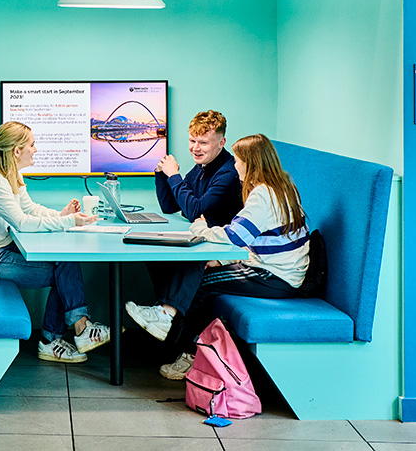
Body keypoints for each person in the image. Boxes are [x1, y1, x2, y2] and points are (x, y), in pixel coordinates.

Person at [129, 134, 310, 379]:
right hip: (278, 271)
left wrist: (202, 230)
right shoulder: (284, 185)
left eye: (238, 161)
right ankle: (167, 318)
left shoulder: (263, 194)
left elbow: (236, 236)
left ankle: (188, 352)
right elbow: (256, 239)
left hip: (274, 278)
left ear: (251, 163)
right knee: (202, 267)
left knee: (200, 285)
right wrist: (223, 257)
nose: (235, 167)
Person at [0, 121, 110, 363]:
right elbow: (22, 222)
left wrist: (61, 215)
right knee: (62, 274)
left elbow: (29, 208)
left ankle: (72, 333)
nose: (36, 149)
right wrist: (69, 221)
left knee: (65, 264)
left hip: (0, 250)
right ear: (16, 151)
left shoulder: (11, 175)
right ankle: (62, 337)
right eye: (32, 144)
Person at [141, 110, 243, 338]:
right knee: (152, 256)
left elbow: (195, 209)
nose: (196, 148)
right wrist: (162, 175)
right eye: (192, 141)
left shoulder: (228, 173)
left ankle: (170, 325)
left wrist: (174, 175)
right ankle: (165, 321)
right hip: (203, 240)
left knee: (179, 265)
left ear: (221, 142)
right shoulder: (201, 168)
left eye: (203, 142)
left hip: (221, 249)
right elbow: (171, 206)